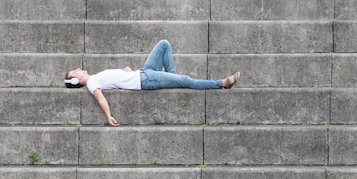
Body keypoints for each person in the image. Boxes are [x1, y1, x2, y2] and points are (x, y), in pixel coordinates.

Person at [64, 40, 240, 126]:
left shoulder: (95, 77)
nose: (78, 68)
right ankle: (222, 83)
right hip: (146, 80)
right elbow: (100, 98)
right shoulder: (91, 83)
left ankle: (173, 80)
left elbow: (115, 79)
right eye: (75, 71)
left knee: (164, 44)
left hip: (142, 72)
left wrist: (125, 71)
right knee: (186, 80)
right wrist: (108, 115)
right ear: (75, 80)